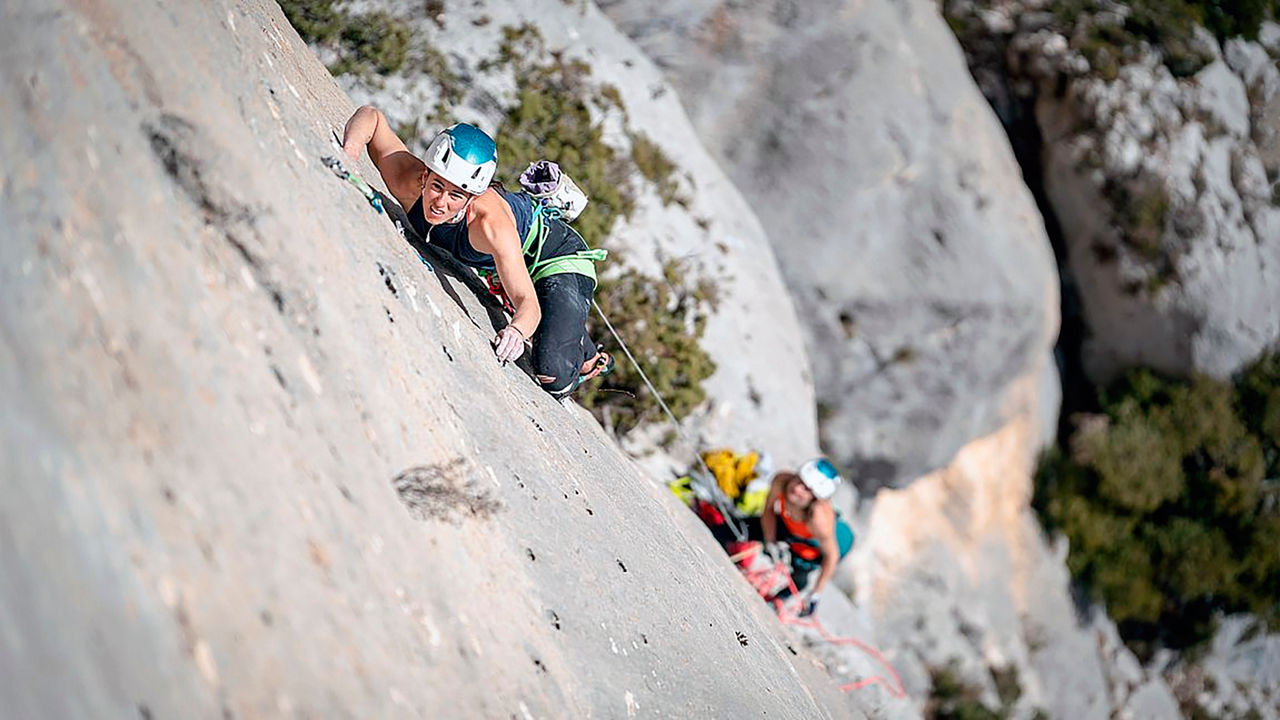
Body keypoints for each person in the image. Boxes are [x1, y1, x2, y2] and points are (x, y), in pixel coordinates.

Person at [340, 106, 612, 397]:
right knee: (548, 325)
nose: (440, 203)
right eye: (437, 186)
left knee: (552, 373)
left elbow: (527, 303)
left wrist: (516, 332)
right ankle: (566, 330)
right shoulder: (408, 180)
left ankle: (585, 357)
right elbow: (372, 117)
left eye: (456, 195)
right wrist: (350, 153)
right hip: (511, 261)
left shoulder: (490, 226)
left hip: (557, 258)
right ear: (425, 175)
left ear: (472, 197)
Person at [759, 458, 855, 617]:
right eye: (799, 479)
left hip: (816, 546)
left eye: (806, 489)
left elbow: (831, 556)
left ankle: (780, 599)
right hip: (790, 527)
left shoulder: (819, 521)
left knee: (799, 575)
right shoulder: (782, 481)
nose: (796, 488)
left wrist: (815, 594)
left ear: (815, 498)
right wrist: (770, 542)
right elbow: (768, 510)